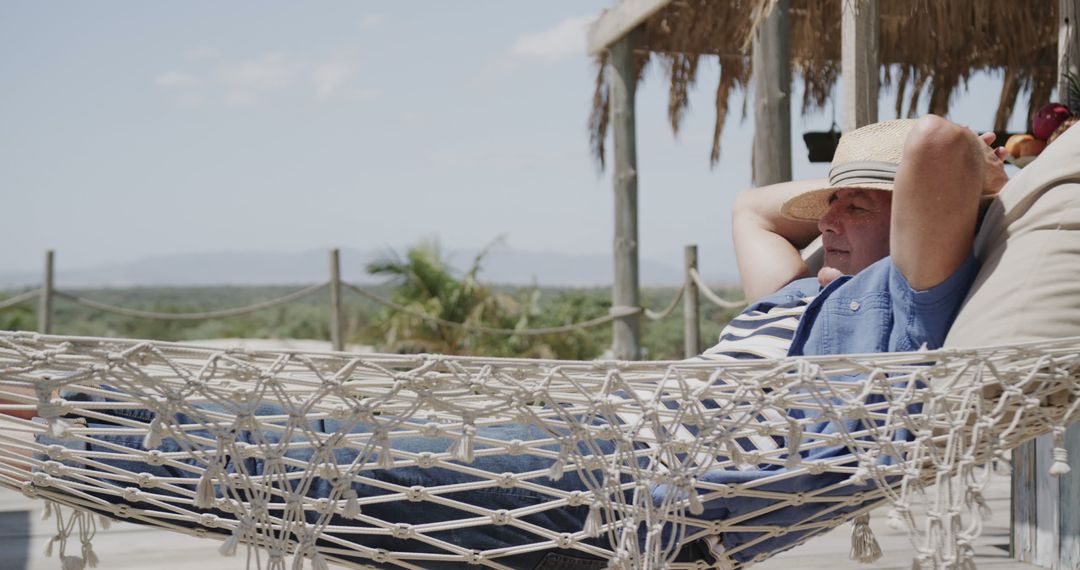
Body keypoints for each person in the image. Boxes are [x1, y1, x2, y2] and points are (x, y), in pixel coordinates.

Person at [8, 116, 1007, 569]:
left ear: (916, 222)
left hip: (628, 484)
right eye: (823, 203)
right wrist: (835, 204)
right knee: (294, 430)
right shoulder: (793, 296)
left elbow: (938, 155)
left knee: (320, 465)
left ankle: (45, 436)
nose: (827, 215)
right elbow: (754, 207)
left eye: (857, 205)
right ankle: (47, 414)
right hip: (578, 430)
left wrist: (1002, 161)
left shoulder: (902, 308)